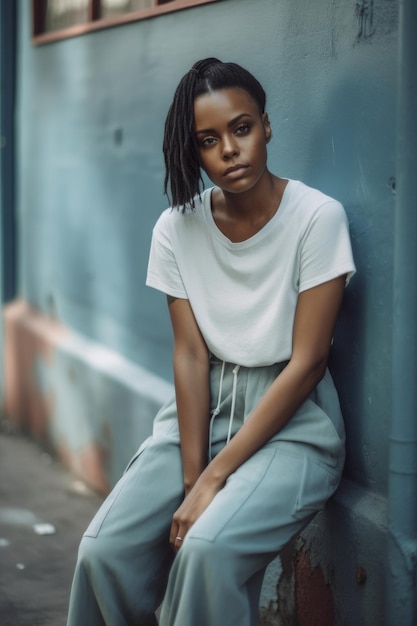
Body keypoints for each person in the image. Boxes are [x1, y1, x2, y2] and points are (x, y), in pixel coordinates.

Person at [67, 57, 356, 626]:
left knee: (207, 551)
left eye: (241, 128)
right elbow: (192, 354)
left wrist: (214, 483)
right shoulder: (176, 227)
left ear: (266, 126)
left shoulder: (317, 218)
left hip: (293, 424)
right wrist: (192, 479)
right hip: (198, 416)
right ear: (193, 151)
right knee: (102, 554)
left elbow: (308, 362)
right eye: (208, 140)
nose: (229, 149)